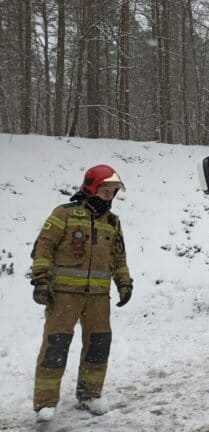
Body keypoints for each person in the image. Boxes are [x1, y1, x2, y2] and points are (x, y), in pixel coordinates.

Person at [29, 165, 133, 422]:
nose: (109, 195)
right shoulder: (64, 214)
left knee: (99, 345)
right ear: (91, 187)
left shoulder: (113, 222)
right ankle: (45, 402)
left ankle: (90, 394)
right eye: (105, 189)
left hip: (99, 298)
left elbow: (118, 257)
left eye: (113, 191)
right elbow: (43, 247)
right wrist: (40, 281)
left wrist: (124, 283)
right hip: (64, 295)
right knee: (56, 345)